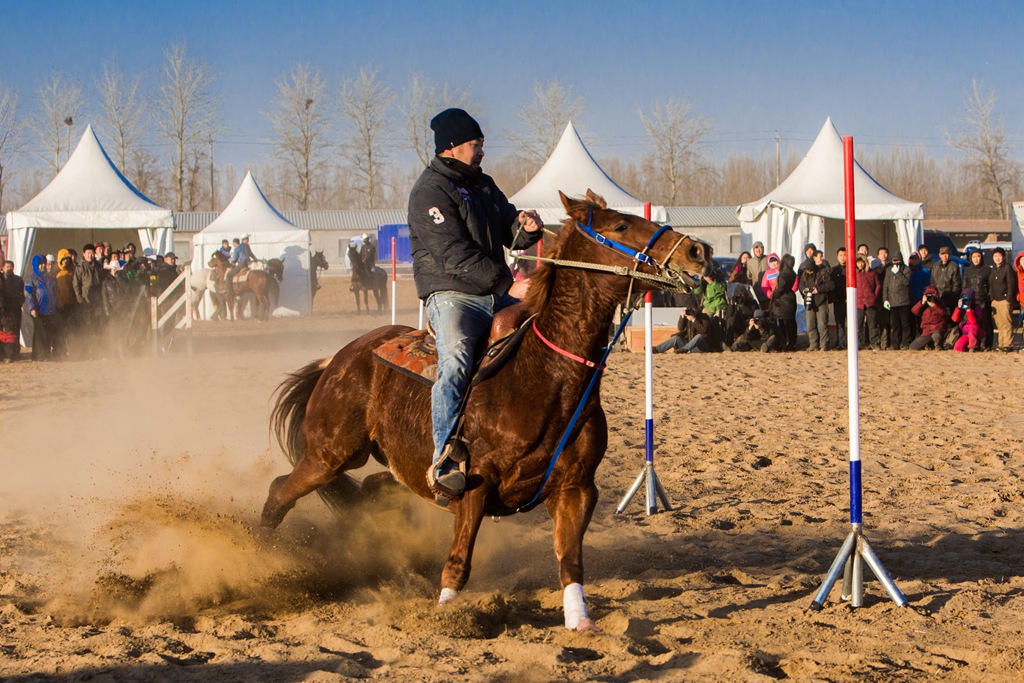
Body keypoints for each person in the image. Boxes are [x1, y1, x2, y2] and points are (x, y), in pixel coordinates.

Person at [407, 108, 543, 498]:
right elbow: (452, 253)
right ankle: (444, 458)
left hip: (494, 291)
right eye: (476, 144)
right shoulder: (429, 192)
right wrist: (508, 283)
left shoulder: (483, 185)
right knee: (456, 362)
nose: (482, 151)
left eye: (482, 144)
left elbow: (509, 233)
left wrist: (524, 227)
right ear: (452, 147)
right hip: (451, 296)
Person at [798, 250, 833, 351]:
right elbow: (801, 285)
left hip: (821, 301)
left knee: (822, 324)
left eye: (810, 270)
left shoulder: (823, 273)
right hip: (809, 302)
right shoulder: (805, 274)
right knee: (810, 325)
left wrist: (818, 290)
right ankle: (813, 345)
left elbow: (831, 285)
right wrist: (804, 290)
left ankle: (824, 345)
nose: (809, 272)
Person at [25, 255, 57, 361]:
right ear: (36, 265)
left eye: (44, 263)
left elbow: (53, 292)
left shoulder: (49, 277)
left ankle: (45, 354)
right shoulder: (31, 278)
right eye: (41, 264)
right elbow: (28, 294)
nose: (43, 266)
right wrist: (32, 308)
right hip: (38, 310)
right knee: (40, 334)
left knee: (47, 333)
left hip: (49, 310)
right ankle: (39, 355)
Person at [653, 308, 720, 354]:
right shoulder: (688, 318)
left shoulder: (704, 317)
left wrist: (694, 320)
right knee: (675, 338)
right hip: (690, 345)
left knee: (699, 336)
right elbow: (680, 328)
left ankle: (685, 349)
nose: (691, 312)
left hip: (701, 347)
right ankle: (657, 349)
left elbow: (703, 330)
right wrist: (682, 317)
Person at [961, 248, 991, 349]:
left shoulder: (987, 269)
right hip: (972, 301)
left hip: (983, 300)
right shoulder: (967, 270)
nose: (976, 259)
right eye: (974, 257)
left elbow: (990, 285)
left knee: (986, 323)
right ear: (971, 258)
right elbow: (964, 286)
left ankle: (987, 344)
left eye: (978, 256)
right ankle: (975, 344)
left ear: (981, 257)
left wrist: (988, 297)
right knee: (973, 323)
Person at [986, 247, 1016, 350]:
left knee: (1006, 323)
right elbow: (990, 284)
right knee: (999, 324)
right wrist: (992, 298)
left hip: (1004, 300)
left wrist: (1008, 299)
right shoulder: (993, 269)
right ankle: (1001, 344)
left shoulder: (1007, 268)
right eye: (995, 256)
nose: (997, 258)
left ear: (1003, 257)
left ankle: (1008, 344)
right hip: (995, 300)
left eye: (999, 256)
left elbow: (1011, 284)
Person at [882, 252, 912, 350]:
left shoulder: (906, 269)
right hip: (892, 302)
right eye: (894, 261)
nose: (896, 263)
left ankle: (906, 343)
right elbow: (885, 285)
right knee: (895, 325)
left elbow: (906, 282)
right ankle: (895, 344)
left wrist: (898, 273)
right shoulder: (888, 270)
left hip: (904, 301)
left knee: (905, 324)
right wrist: (885, 299)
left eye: (898, 260)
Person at [770, 254, 798, 351]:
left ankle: (783, 343)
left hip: (783, 300)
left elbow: (780, 288)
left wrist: (775, 295)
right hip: (790, 298)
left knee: (782, 323)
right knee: (791, 323)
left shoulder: (784, 274)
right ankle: (792, 343)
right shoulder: (793, 273)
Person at [0, 261, 25, 361]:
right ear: (3, 268)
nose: (9, 268)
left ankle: (15, 353)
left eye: (11, 266)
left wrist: (19, 304)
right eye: (7, 267)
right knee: (4, 332)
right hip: (4, 310)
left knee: (15, 331)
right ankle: (4, 354)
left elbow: (22, 294)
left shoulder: (18, 280)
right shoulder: (2, 280)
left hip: (15, 310)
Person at [909, 285, 947, 351]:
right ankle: (929, 344)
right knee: (913, 347)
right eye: (928, 296)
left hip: (937, 329)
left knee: (936, 336)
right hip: (926, 331)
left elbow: (943, 313)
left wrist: (934, 305)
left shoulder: (940, 303)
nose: (930, 298)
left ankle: (938, 345)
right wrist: (922, 303)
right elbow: (914, 311)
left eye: (932, 296)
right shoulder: (924, 304)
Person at [855, 256, 881, 350]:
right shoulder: (855, 274)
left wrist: (874, 296)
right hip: (858, 302)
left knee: (872, 324)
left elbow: (878, 285)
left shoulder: (872, 273)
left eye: (862, 262)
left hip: (870, 302)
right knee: (858, 325)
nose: (860, 264)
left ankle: (874, 343)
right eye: (858, 263)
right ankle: (858, 343)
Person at [931, 246, 962, 315]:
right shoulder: (935, 266)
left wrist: (953, 297)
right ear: (939, 255)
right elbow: (932, 281)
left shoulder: (953, 266)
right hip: (937, 297)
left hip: (949, 297)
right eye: (942, 254)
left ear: (949, 255)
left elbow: (956, 284)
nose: (945, 256)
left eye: (946, 254)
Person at [829, 247, 848, 349]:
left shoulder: (852, 269)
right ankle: (840, 342)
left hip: (850, 300)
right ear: (837, 257)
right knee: (839, 322)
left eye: (845, 255)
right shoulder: (834, 270)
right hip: (838, 301)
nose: (843, 258)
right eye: (841, 255)